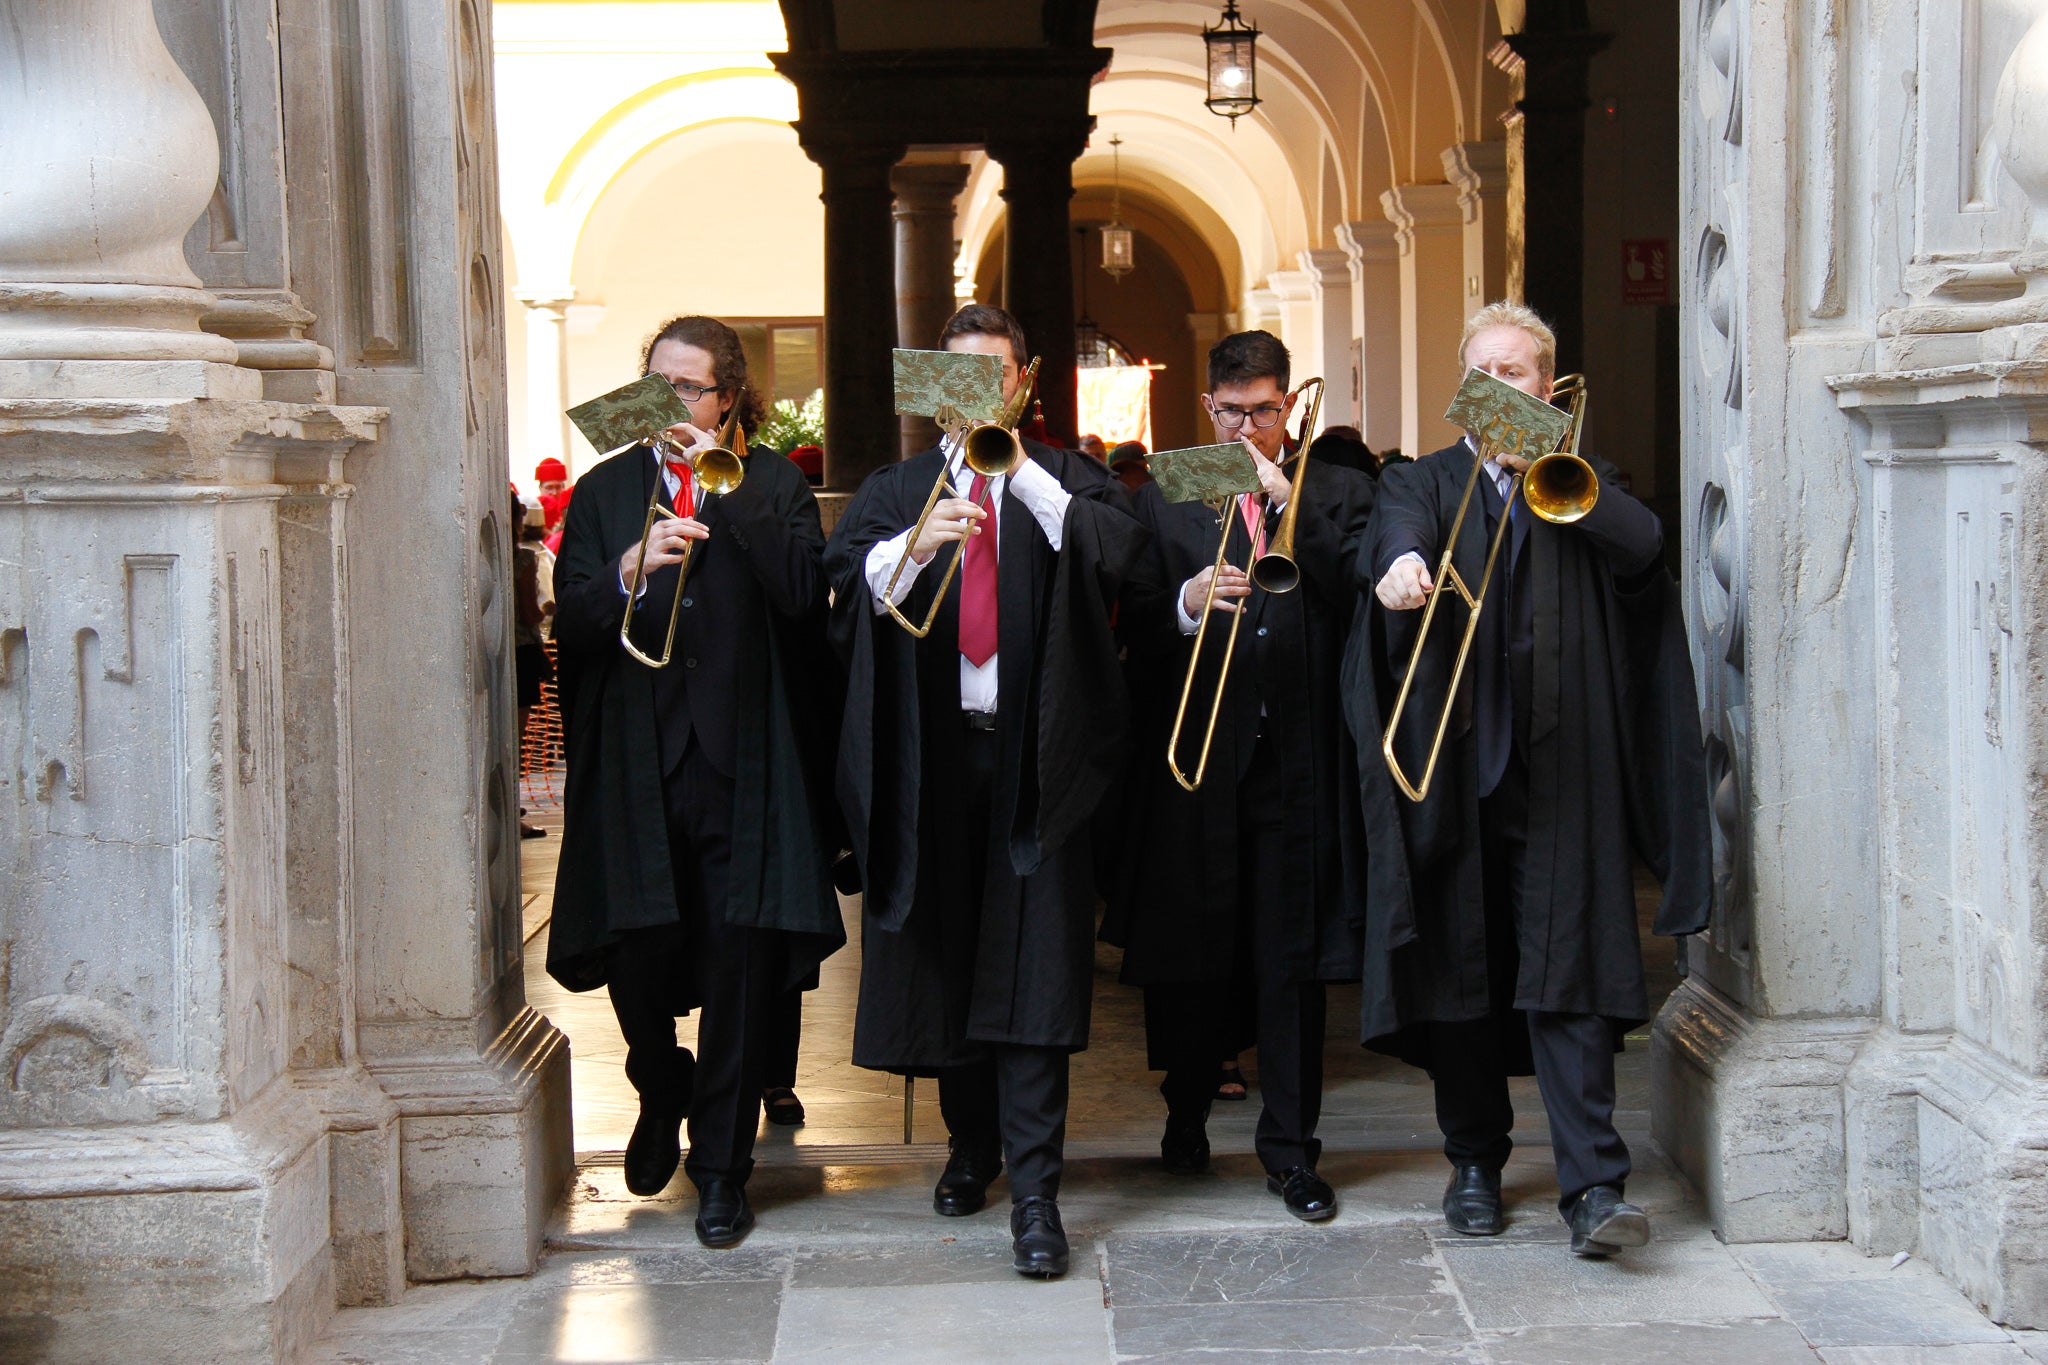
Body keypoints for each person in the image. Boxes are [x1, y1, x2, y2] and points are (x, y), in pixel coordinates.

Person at [1345, 301, 1710, 1257]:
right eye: (1488, 374)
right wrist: (1401, 570)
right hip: (1459, 770)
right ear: (1464, 388)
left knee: (1572, 972)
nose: (1505, 387)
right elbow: (1392, 545)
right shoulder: (1420, 483)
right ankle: (1473, 1163)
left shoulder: (1578, 483)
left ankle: (1595, 1186)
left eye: (1521, 373)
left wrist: (1560, 476)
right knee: (1463, 971)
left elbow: (1644, 551)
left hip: (1563, 772)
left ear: (1549, 389)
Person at [825, 303, 1149, 1279]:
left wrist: (1023, 476)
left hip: (1036, 758)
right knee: (953, 953)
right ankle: (972, 1146)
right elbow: (841, 585)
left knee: (1035, 961)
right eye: (953, 377)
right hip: (935, 757)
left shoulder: (1071, 480)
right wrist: (919, 542)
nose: (972, 395)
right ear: (934, 387)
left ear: (1019, 382)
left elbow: (1125, 556)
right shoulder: (896, 488)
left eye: (990, 376)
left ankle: (1039, 1193)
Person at [547, 315, 844, 1250]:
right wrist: (626, 572)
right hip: (635, 758)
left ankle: (722, 1167)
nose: (669, 403)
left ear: (728, 399)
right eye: (656, 382)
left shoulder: (775, 485)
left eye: (688, 389)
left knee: (738, 969)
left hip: (742, 763)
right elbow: (573, 627)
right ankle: (656, 1081)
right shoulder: (602, 492)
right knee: (635, 951)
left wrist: (733, 491)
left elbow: (804, 596)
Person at [1105, 330, 1376, 1223]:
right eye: (1232, 413)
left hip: (1297, 756)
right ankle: (1185, 1111)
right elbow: (1136, 618)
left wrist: (1288, 497)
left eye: (1264, 410)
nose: (1250, 427)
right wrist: (1186, 602)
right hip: (1201, 757)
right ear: (1208, 410)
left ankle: (1293, 1149)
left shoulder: (1336, 486)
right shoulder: (1176, 488)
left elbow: (1359, 591)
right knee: (1193, 944)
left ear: (1289, 407)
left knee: (1291, 956)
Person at [514, 500, 556, 839]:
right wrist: (549, 609)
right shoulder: (525, 560)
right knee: (516, 737)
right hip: (523, 652)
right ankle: (513, 811)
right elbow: (530, 614)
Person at [536, 456, 573, 532]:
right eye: (549, 488)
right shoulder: (534, 512)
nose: (554, 492)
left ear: (564, 487)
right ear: (540, 488)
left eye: (558, 487)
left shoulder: (570, 510)